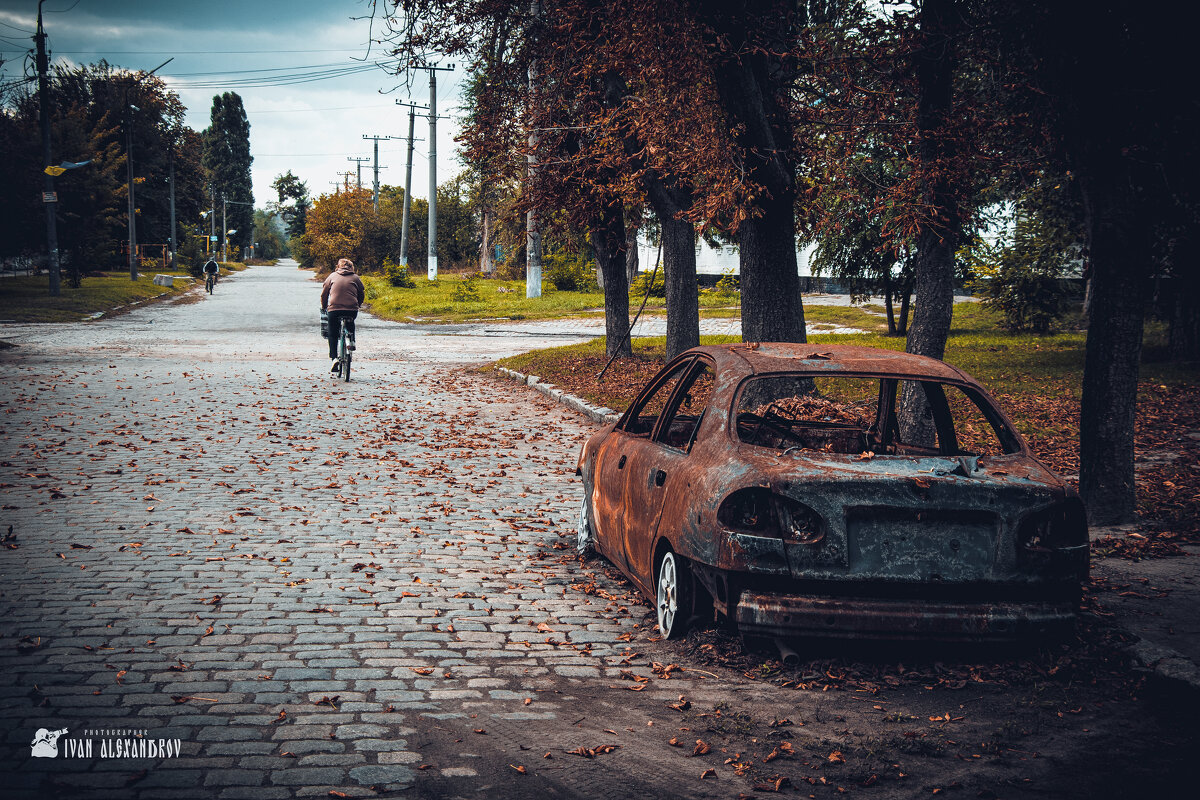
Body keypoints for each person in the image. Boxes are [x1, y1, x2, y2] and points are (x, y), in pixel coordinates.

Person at [321, 257, 365, 372]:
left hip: (334, 309)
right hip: (351, 309)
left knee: (332, 333)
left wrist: (324, 306)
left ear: (338, 266)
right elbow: (361, 293)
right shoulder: (355, 278)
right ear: (351, 267)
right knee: (350, 321)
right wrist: (358, 304)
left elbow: (324, 294)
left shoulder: (332, 276)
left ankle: (334, 358)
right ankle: (351, 340)